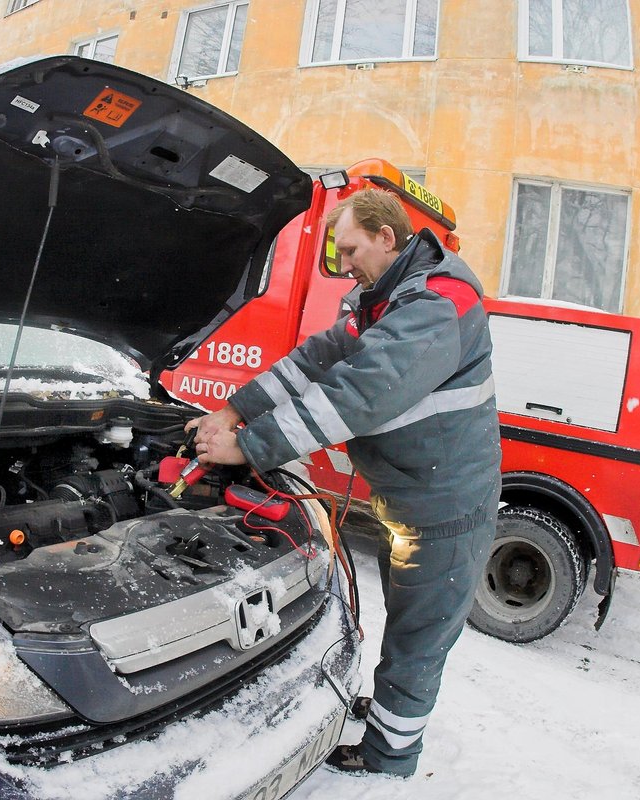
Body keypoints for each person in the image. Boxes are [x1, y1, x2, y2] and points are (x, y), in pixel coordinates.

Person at [187, 188, 501, 778]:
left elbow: (356, 394)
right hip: (412, 497)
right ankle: (386, 716)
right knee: (407, 625)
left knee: (417, 642)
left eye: (352, 249)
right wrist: (235, 410)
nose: (346, 264)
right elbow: (312, 363)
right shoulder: (383, 302)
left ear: (388, 237)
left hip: (445, 509)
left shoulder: (438, 305)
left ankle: (387, 760)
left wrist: (250, 445)